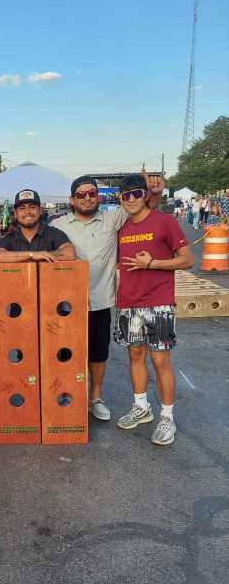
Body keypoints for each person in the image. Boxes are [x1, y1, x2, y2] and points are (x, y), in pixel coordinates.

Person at [113, 174, 194, 446]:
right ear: (120, 200)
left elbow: (187, 259)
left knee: (160, 361)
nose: (131, 199)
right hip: (128, 303)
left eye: (136, 193)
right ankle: (141, 407)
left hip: (158, 302)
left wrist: (153, 264)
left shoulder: (165, 222)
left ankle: (167, 417)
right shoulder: (121, 227)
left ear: (145, 195)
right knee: (135, 356)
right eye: (126, 195)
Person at [52, 176, 129, 421]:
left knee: (98, 353)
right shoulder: (58, 225)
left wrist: (155, 192)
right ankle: (65, 394)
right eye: (81, 194)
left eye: (92, 193)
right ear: (72, 199)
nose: (87, 198)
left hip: (99, 300)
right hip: (64, 305)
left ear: (99, 196)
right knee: (65, 353)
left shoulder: (112, 218)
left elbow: (142, 206)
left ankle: (95, 398)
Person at [0, 189, 75, 263]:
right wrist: (32, 255)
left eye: (32, 207)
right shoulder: (10, 236)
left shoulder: (52, 233)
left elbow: (69, 253)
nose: (27, 211)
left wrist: (43, 255)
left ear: (40, 211)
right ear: (15, 214)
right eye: (22, 208)